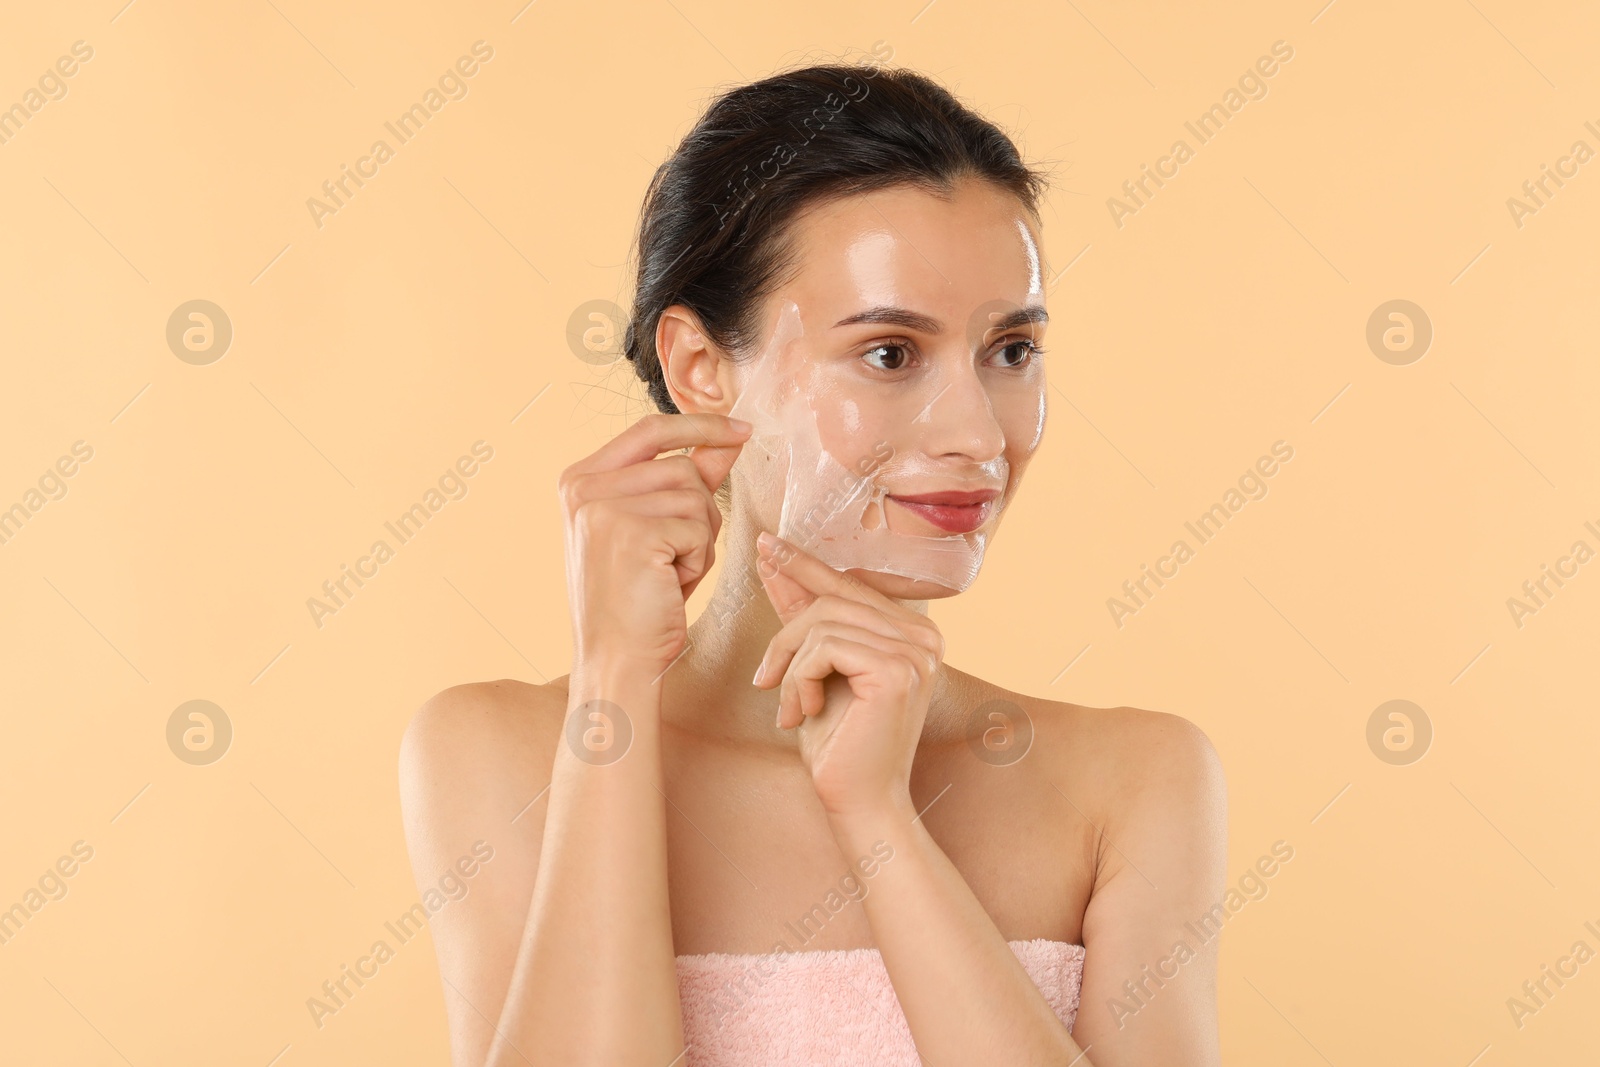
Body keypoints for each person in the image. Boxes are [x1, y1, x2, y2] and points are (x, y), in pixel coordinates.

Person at [399, 60, 1226, 1067]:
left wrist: (880, 822)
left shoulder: (1134, 779)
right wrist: (612, 683)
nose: (976, 433)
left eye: (1009, 350)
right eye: (888, 353)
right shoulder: (502, 754)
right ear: (701, 369)